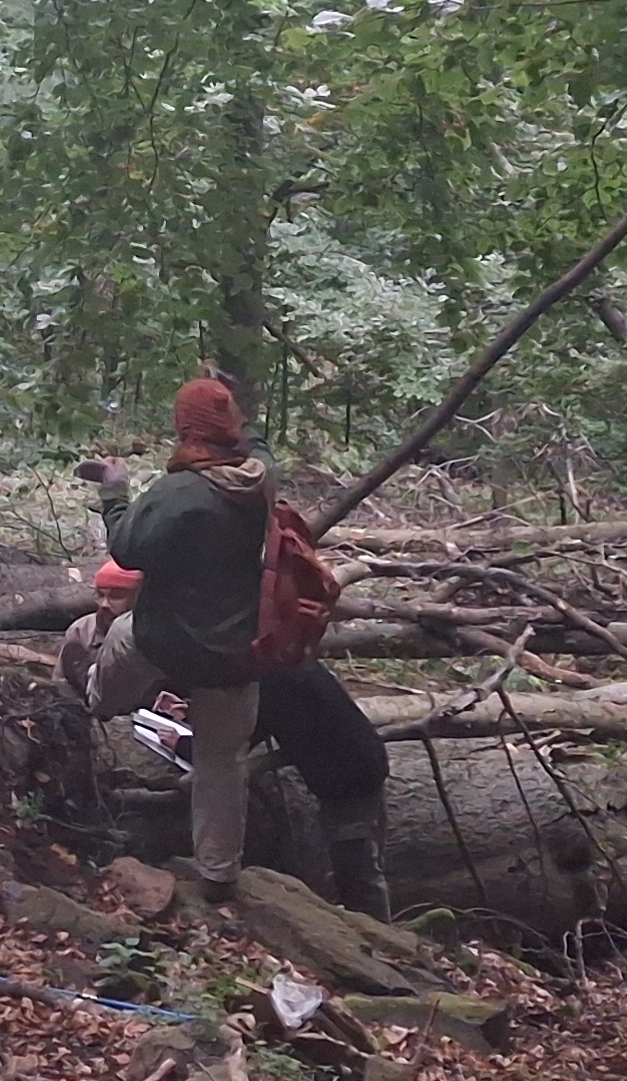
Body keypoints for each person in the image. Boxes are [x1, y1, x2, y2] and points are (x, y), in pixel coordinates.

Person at [73, 376, 395, 912]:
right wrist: (246, 432)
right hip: (238, 657)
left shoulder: (178, 493)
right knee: (224, 759)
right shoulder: (259, 479)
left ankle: (94, 703)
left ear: (184, 429)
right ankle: (218, 873)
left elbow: (127, 550)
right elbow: (262, 450)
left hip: (169, 642)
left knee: (125, 640)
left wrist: (113, 488)